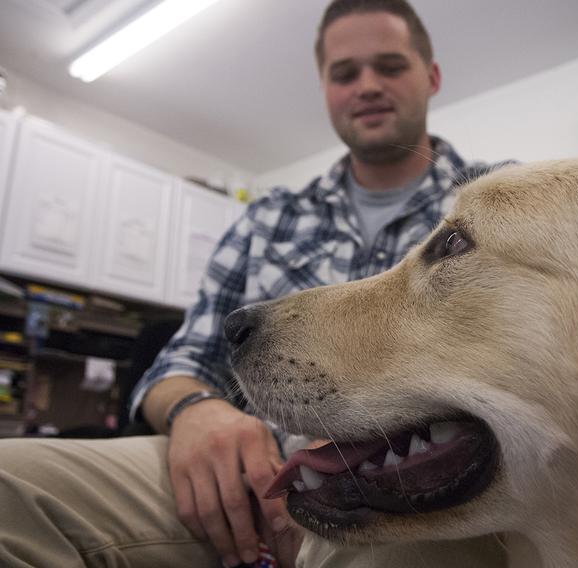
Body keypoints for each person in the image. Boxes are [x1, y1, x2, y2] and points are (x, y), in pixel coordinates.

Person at [0, 1, 509, 566]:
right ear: (325, 88)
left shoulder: (500, 204)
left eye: (389, 66)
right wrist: (198, 409)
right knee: (12, 486)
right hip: (253, 476)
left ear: (431, 77)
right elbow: (181, 360)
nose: (367, 86)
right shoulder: (267, 218)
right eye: (345, 73)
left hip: (429, 480)